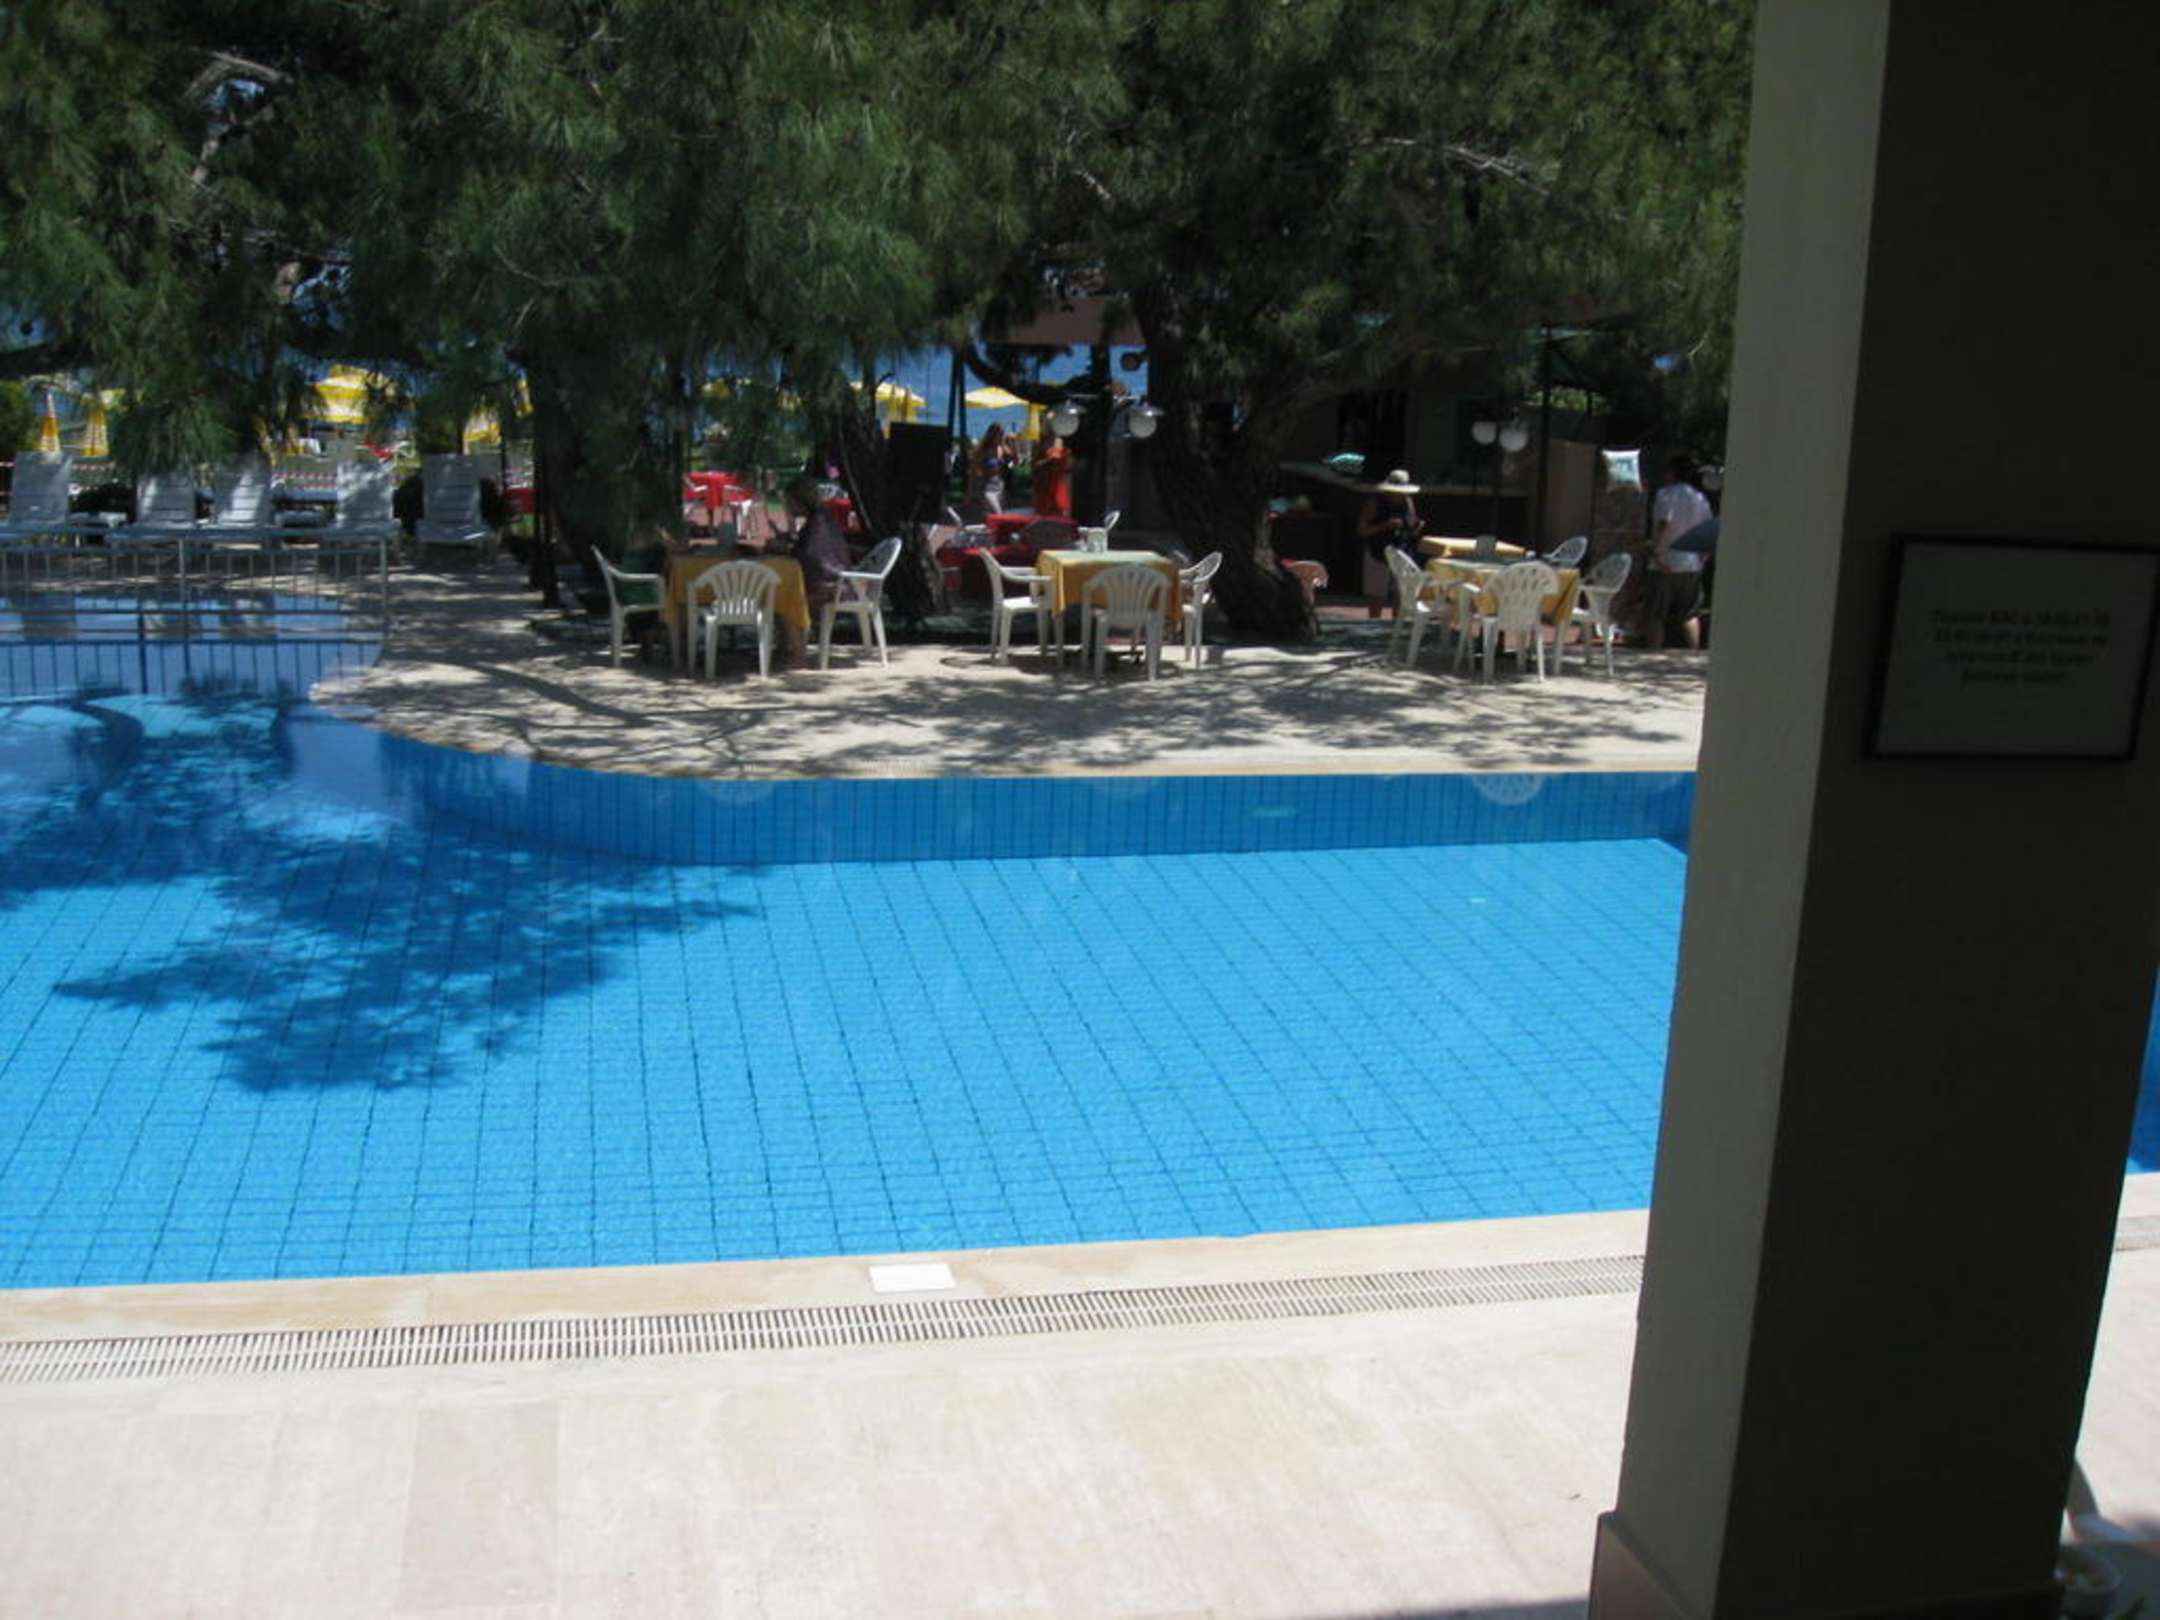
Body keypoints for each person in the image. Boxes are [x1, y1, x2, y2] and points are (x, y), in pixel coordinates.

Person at [1647, 453, 1713, 649]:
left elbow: (1664, 523)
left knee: (1657, 613)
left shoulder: (1666, 494)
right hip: (1692, 563)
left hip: (1666, 560)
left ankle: (1653, 652)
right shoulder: (1700, 498)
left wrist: (1655, 551)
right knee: (1690, 614)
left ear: (1672, 472)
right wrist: (1703, 558)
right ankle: (1694, 655)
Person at [1355, 468, 1422, 619]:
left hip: (1401, 551)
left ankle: (1396, 625)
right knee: (1377, 595)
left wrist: (1415, 528)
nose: (1398, 495)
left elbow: (1411, 525)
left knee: (1400, 592)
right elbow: (1361, 530)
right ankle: (1374, 625)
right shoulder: (1375, 503)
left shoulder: (1407, 502)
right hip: (1377, 551)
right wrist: (1385, 525)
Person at [968, 423, 1013, 515]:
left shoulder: (1003, 449)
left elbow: (1015, 461)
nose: (1002, 437)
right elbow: (973, 471)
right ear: (992, 435)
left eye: (1003, 435)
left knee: (997, 514)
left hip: (999, 485)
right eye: (1000, 435)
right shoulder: (983, 450)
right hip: (986, 486)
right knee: (997, 514)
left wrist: (1013, 443)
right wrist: (969, 492)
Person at [1032, 432, 1072, 519]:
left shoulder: (1062, 447)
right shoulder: (1042, 447)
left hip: (1057, 485)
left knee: (1060, 511)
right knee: (1046, 513)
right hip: (1046, 486)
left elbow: (1065, 464)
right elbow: (1035, 465)